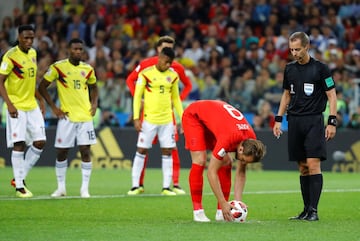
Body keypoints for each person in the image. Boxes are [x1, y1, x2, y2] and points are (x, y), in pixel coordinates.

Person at [273, 32, 337, 221]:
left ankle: (314, 211)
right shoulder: (289, 69)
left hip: (313, 121)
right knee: (302, 166)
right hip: (294, 121)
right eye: (291, 49)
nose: (294, 53)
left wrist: (331, 121)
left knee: (313, 163)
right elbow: (286, 95)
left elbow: (332, 95)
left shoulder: (321, 69)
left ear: (307, 47)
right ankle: (306, 210)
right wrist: (278, 119)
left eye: (297, 49)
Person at [126, 35, 192, 195]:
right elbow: (130, 82)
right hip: (148, 118)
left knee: (169, 150)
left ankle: (170, 186)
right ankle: (136, 185)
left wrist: (181, 117)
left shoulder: (175, 72)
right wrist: (137, 112)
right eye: (164, 49)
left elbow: (178, 95)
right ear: (158, 51)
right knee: (142, 150)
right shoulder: (146, 69)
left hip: (167, 119)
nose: (168, 62)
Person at [182, 100, 266, 222]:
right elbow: (211, 172)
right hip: (194, 116)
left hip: (213, 119)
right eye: (243, 159)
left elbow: (241, 173)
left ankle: (221, 212)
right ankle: (198, 211)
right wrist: (223, 201)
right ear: (241, 149)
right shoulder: (229, 138)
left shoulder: (250, 141)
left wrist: (237, 202)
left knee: (227, 161)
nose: (242, 162)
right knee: (200, 160)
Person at [38, 38, 98, 198]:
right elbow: (42, 86)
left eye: (80, 49)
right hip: (67, 117)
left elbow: (94, 87)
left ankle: (85, 189)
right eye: (75, 49)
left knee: (85, 151)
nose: (78, 52)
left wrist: (94, 103)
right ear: (69, 50)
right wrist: (53, 107)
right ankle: (61, 188)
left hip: (85, 117)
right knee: (62, 152)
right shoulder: (59, 67)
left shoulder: (88, 69)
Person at [0, 25, 46, 198]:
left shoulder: (33, 54)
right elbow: (0, 81)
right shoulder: (10, 56)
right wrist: (9, 104)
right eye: (26, 38)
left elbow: (31, 81)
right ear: (19, 37)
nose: (29, 41)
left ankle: (19, 177)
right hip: (16, 105)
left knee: (40, 142)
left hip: (31, 105)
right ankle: (20, 186)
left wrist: (40, 99)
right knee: (19, 144)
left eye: (31, 38)